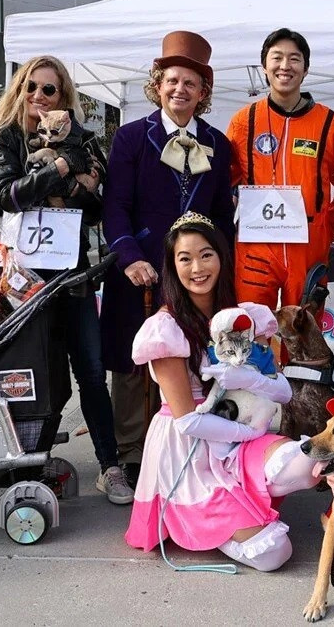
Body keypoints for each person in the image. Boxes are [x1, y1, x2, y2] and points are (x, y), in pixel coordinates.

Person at [0, 55, 133, 504]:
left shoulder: (84, 139)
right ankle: (24, 460)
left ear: (65, 98)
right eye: (31, 88)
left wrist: (69, 180)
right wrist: (61, 171)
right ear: (19, 91)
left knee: (92, 373)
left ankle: (110, 466)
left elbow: (99, 203)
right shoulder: (4, 140)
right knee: (29, 373)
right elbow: (8, 195)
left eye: (50, 90)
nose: (39, 97)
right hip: (20, 283)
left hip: (74, 277)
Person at [125, 211, 319, 571]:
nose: (197, 267)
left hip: (241, 424)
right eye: (185, 259)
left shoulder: (243, 317)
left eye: (205, 255)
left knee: (310, 463)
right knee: (274, 553)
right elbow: (187, 422)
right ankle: (221, 529)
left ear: (221, 257)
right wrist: (248, 433)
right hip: (190, 448)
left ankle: (241, 509)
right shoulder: (165, 329)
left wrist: (255, 382)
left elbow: (282, 393)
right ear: (172, 266)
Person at [102, 31, 235, 487]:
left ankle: (194, 443)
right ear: (158, 85)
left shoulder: (219, 143)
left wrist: (217, 264)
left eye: (191, 84)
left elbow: (221, 215)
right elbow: (114, 206)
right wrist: (128, 257)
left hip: (196, 273)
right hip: (140, 270)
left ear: (203, 93)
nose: (181, 90)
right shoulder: (132, 138)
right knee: (134, 360)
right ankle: (133, 452)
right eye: (172, 80)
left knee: (196, 356)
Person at [227, 28, 334, 310]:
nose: (285, 66)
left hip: (308, 249)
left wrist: (325, 225)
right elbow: (224, 180)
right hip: (256, 248)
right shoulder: (243, 122)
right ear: (264, 67)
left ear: (306, 69)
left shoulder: (332, 126)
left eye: (294, 59)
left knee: (305, 333)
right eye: (277, 58)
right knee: (251, 329)